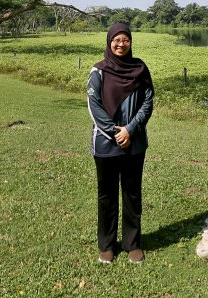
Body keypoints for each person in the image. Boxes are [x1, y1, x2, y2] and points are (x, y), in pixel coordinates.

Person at [87, 23, 154, 264]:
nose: (121, 44)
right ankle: (107, 245)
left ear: (131, 42)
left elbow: (148, 102)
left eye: (125, 40)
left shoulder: (140, 69)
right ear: (109, 41)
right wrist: (115, 134)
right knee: (106, 196)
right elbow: (94, 106)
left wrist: (130, 130)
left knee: (132, 193)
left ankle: (132, 243)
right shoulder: (99, 71)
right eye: (117, 40)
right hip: (106, 145)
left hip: (134, 144)